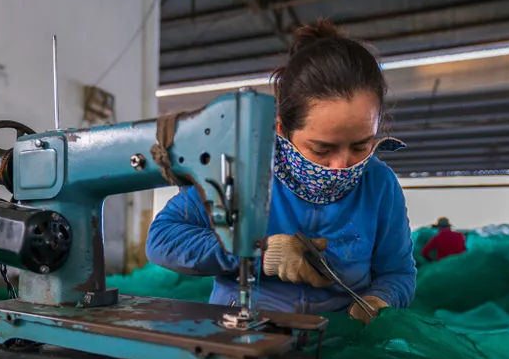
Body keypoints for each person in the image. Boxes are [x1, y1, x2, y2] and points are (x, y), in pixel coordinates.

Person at [145, 20, 416, 323]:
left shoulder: (379, 185)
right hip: (240, 335)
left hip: (338, 341)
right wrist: (257, 250)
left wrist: (379, 299)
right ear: (282, 130)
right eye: (322, 149)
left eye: (360, 146)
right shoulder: (242, 170)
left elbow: (398, 272)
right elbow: (162, 239)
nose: (342, 166)